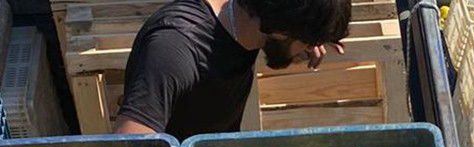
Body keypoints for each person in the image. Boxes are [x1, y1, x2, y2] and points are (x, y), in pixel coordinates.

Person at [116, 0, 351, 139]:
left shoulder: (248, 19)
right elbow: (131, 146)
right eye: (308, 42)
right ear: (280, 30)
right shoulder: (177, 46)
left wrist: (308, 35)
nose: (313, 48)